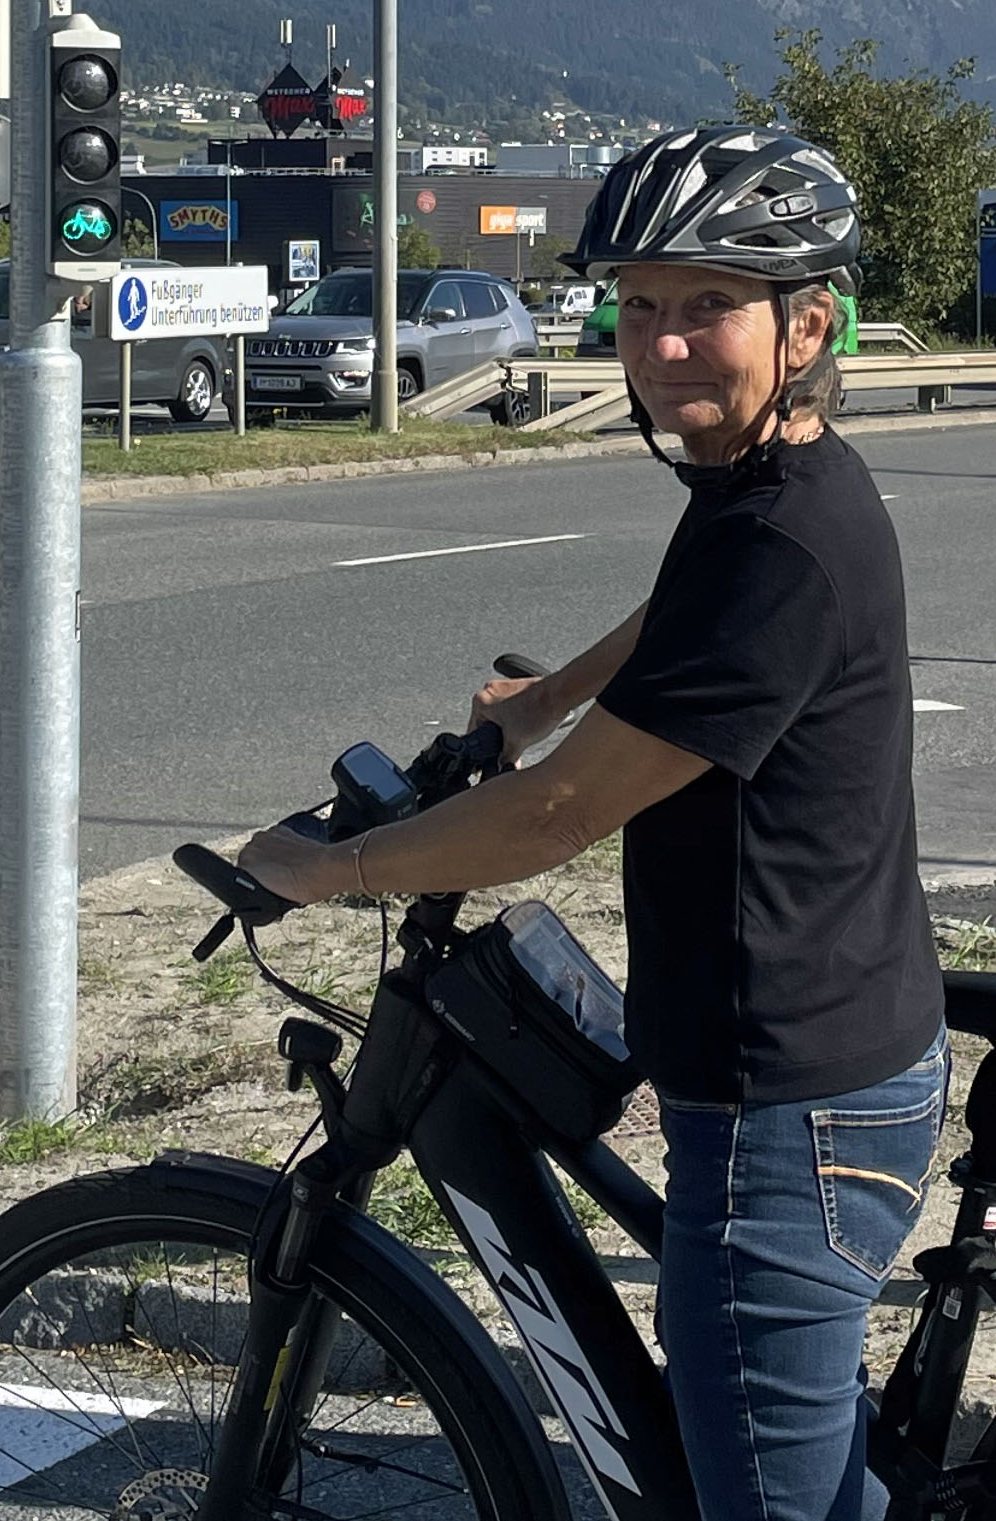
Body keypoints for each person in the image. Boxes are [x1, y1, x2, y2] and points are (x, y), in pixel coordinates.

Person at [239, 125, 946, 1521]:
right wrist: (545, 694)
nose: (664, 345)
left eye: (707, 308)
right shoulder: (763, 494)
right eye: (638, 308)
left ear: (806, 325)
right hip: (812, 1060)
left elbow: (557, 815)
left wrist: (333, 868)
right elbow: (677, 628)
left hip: (786, 1110)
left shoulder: (783, 541)